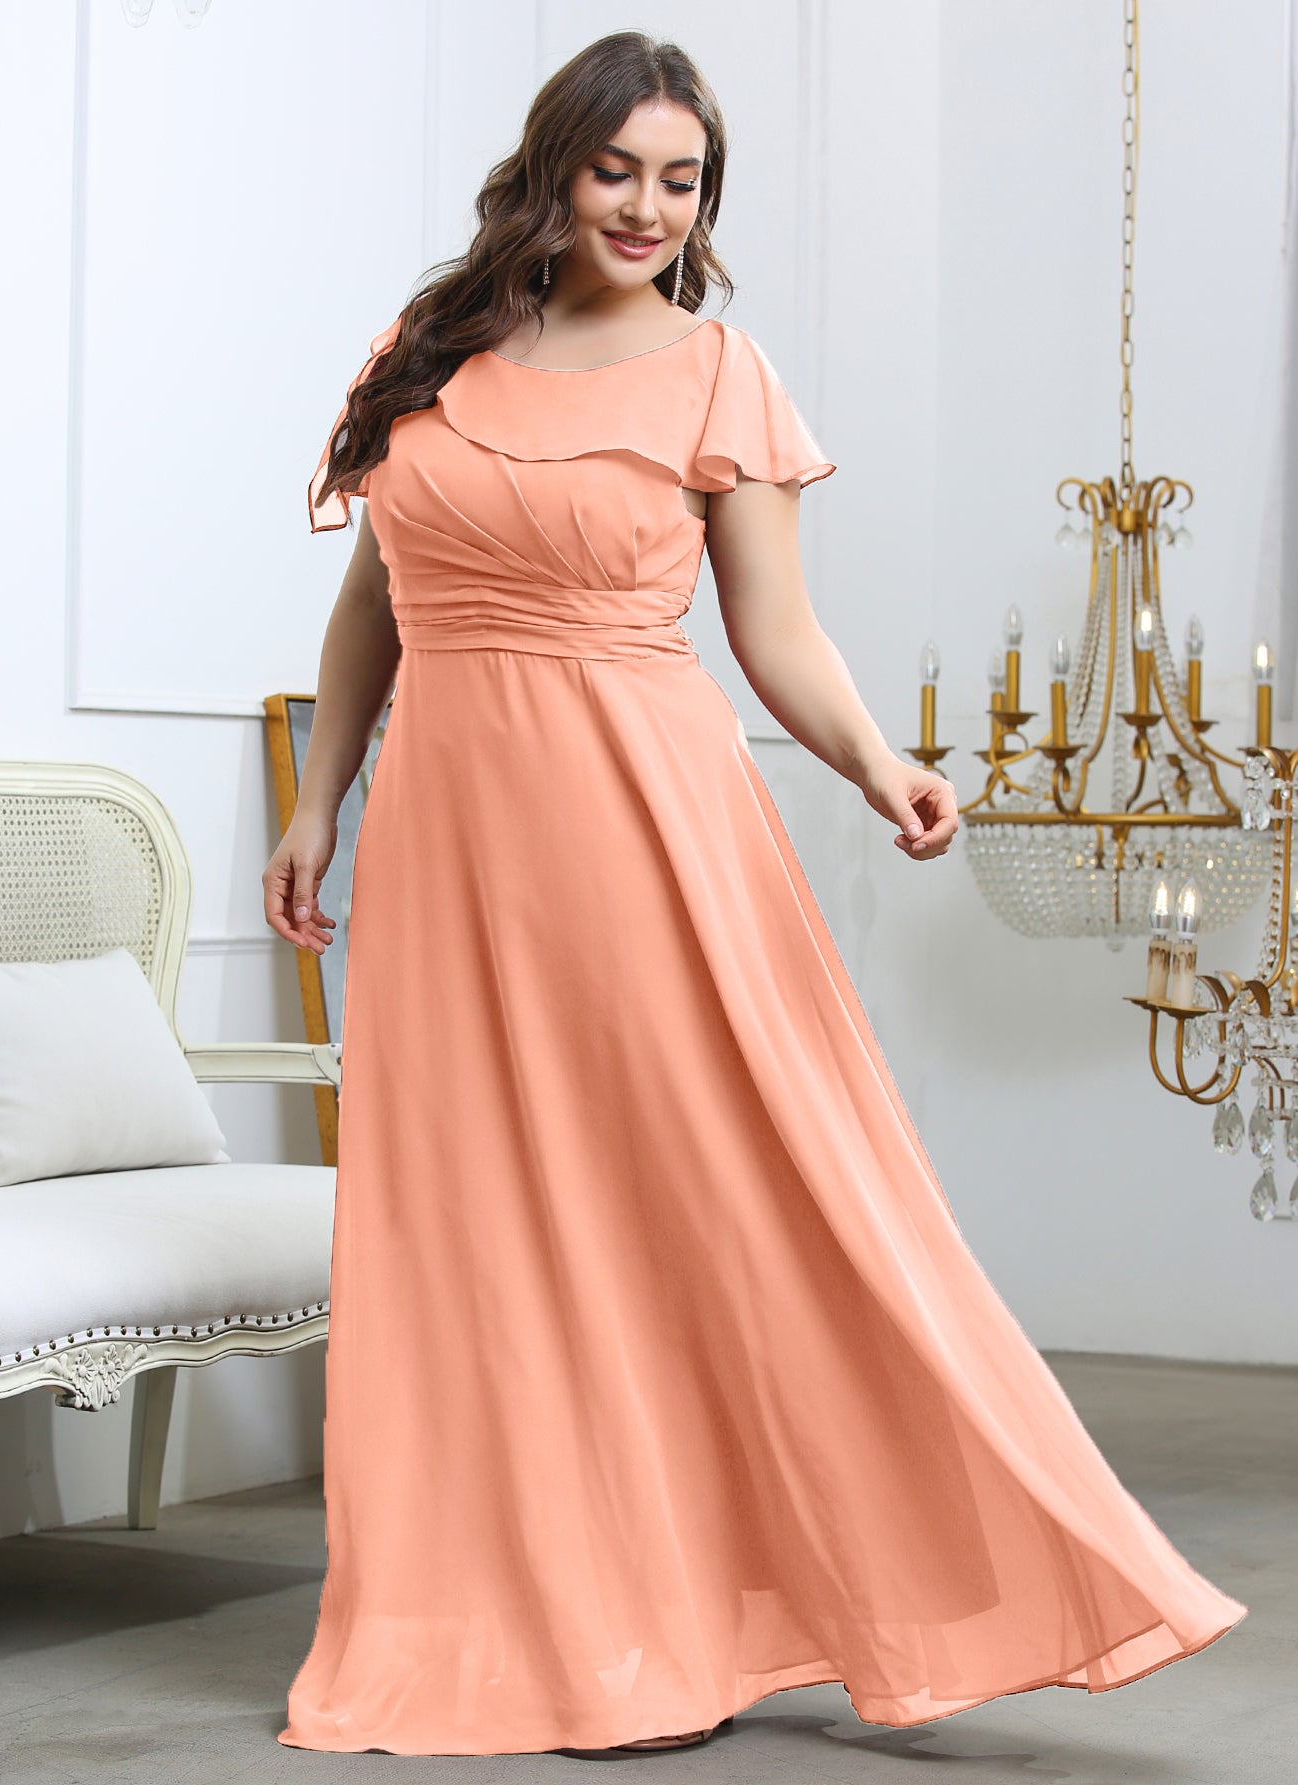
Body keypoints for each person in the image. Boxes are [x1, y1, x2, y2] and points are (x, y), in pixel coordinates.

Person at [266, 29, 1246, 1762]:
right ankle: (542, 1605)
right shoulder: (427, 349)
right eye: (618, 169)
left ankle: (719, 1601)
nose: (648, 207)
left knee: (694, 1202)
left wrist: (879, 761)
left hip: (645, 826)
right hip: (447, 838)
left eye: (683, 179)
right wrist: (316, 802)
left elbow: (774, 632)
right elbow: (372, 606)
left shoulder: (719, 373)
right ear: (554, 166)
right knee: (477, 1224)